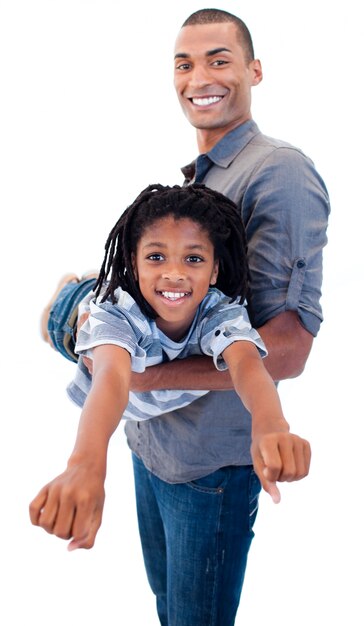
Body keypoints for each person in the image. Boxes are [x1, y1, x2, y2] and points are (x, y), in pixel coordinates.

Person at [30, 8, 330, 626]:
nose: (200, 76)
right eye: (185, 62)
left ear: (254, 70)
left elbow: (285, 350)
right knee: (170, 610)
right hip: (154, 448)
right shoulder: (201, 183)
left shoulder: (280, 172)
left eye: (220, 59)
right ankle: (77, 295)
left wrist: (139, 377)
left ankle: (74, 301)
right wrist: (98, 449)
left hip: (208, 468)